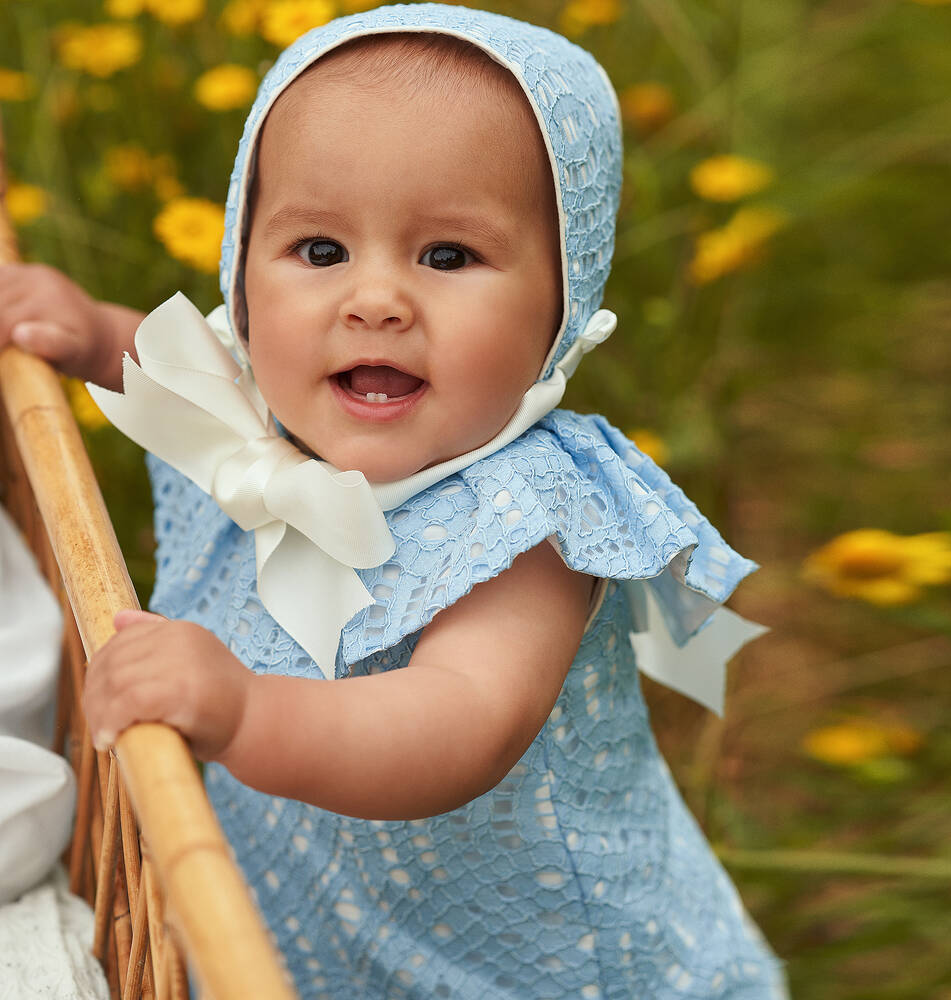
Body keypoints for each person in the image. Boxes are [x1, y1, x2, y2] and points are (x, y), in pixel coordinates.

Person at [0, 5, 786, 997]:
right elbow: (169, 369)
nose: (375, 300)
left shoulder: (527, 521)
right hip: (309, 920)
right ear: (242, 269)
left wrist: (244, 710)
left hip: (520, 963)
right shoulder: (253, 399)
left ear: (563, 300)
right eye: (320, 251)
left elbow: (462, 723)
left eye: (447, 256)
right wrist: (83, 332)